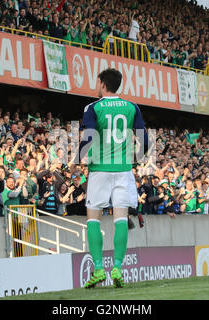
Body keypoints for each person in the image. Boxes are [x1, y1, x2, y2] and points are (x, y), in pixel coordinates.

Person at [79, 68, 148, 289]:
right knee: (120, 218)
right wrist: (137, 158)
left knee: (93, 218)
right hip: (123, 169)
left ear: (101, 83)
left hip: (100, 169)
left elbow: (89, 135)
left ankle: (99, 269)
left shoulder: (92, 108)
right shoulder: (132, 107)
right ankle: (117, 267)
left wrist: (81, 157)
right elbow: (144, 139)